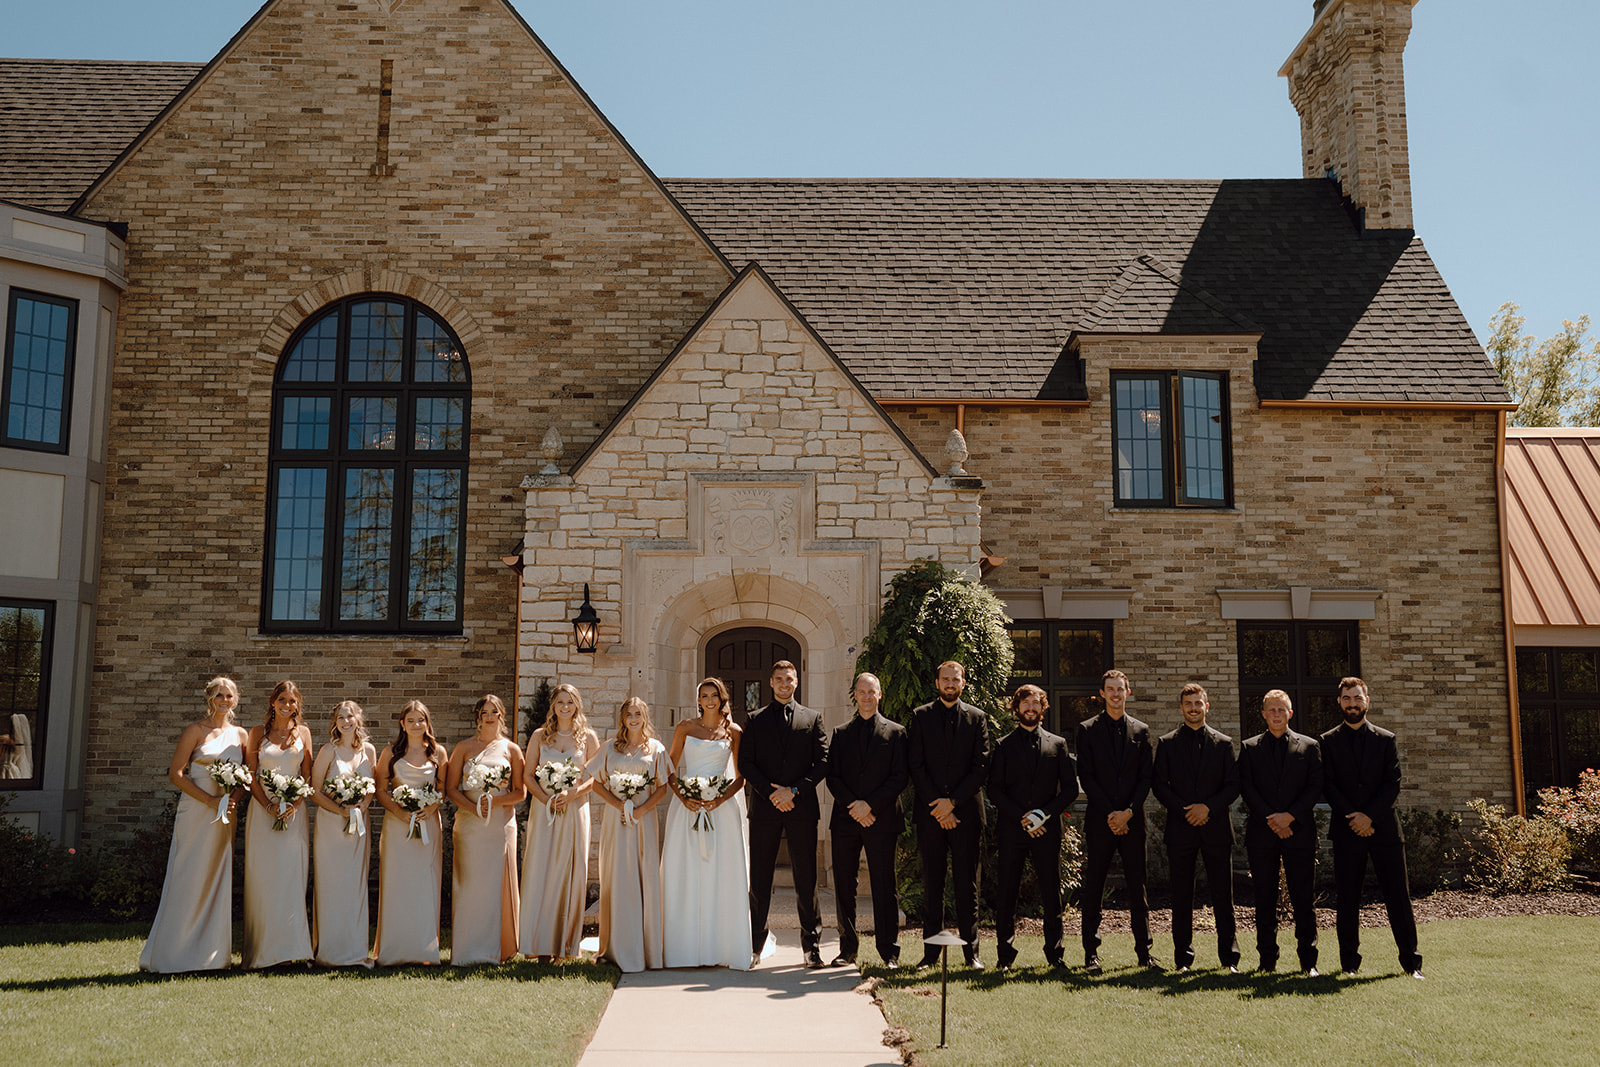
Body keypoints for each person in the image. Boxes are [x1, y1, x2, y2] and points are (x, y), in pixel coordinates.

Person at [139, 676, 250, 972]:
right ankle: (175, 954)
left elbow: (248, 776)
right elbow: (176, 774)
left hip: (225, 814)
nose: (224, 700)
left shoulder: (242, 735)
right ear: (209, 699)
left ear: (235, 699)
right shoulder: (195, 730)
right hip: (197, 811)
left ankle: (211, 956)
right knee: (189, 874)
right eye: (218, 695)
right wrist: (209, 800)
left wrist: (232, 799)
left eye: (229, 695)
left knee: (216, 876)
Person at [1320, 677, 1423, 979]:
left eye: (1357, 698)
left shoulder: (1385, 739)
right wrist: (1355, 817)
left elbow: (1392, 784)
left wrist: (1369, 817)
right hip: (1346, 829)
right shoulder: (1327, 741)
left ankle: (1411, 964)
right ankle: (1349, 964)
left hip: (1384, 831)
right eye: (1347, 698)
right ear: (1339, 702)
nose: (1353, 703)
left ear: (1367, 701)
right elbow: (1328, 786)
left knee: (1398, 898)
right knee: (1348, 898)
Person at [740, 659, 828, 968]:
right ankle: (754, 946)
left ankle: (812, 947)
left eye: (789, 678)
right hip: (765, 809)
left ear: (796, 682)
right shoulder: (755, 718)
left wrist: (794, 791)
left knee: (806, 879)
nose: (784, 683)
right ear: (771, 682)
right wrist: (771, 792)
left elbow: (823, 762)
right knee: (760, 880)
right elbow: (746, 763)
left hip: (801, 808)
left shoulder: (812, 718)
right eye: (778, 679)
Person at [986, 684, 1077, 972]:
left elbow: (1070, 790)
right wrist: (1023, 818)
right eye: (1025, 703)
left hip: (1047, 830)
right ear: (1017, 707)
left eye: (1036, 703)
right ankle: (1004, 956)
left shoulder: (1057, 744)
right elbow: (994, 791)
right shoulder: (1002, 745)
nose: (1031, 708)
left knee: (1051, 893)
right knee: (1007, 894)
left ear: (1043, 708)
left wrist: (1043, 815)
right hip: (1012, 830)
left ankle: (1055, 954)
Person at [662, 677, 751, 969]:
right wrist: (685, 797)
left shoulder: (734, 732)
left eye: (714, 695)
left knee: (720, 874)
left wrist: (719, 800)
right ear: (698, 700)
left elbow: (740, 777)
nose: (709, 700)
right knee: (686, 873)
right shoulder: (685, 727)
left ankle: (722, 945)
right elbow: (669, 769)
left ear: (722, 699)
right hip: (686, 808)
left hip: (721, 810)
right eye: (704, 695)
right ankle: (684, 945)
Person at [1151, 683, 1240, 972]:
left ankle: (1229, 959)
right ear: (1181, 708)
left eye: (1198, 703)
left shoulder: (1224, 743)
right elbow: (1159, 785)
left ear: (1207, 706)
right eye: (1188, 704)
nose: (1193, 708)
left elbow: (1232, 786)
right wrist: (1185, 810)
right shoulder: (1167, 744)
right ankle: (1183, 960)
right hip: (1181, 828)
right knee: (1181, 897)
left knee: (1223, 896)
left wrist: (1208, 808)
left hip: (1216, 828)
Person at [908, 660, 990, 969]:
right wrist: (939, 805)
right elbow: (915, 765)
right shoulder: (921, 717)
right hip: (931, 815)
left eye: (956, 679)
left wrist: (952, 802)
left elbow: (981, 766)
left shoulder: (977, 718)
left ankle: (972, 955)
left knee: (968, 885)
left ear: (964, 683)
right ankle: (930, 955)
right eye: (945, 679)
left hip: (966, 813)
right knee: (933, 884)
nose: (950, 683)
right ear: (937, 683)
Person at [826, 671, 908, 969]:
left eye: (871, 691)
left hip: (882, 820)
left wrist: (870, 806)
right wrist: (854, 806)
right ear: (855, 695)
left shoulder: (896, 732)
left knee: (885, 887)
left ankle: (889, 951)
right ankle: (847, 948)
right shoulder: (841, 733)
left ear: (880, 694)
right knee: (844, 886)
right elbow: (832, 777)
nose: (866, 696)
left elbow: (900, 776)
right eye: (861, 691)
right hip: (846, 821)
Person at [1237, 689, 1323, 974]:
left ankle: (1308, 962)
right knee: (1263, 900)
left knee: (1303, 900)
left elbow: (1314, 787)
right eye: (1271, 710)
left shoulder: (1309, 746)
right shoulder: (1249, 748)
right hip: (1262, 834)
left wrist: (1289, 817)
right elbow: (1247, 788)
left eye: (1281, 709)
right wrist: (1273, 820)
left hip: (1299, 832)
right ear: (1263, 714)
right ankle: (1267, 961)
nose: (1276, 714)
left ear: (1290, 713)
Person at [1075, 668, 1155, 972]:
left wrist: (1129, 812)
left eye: (1120, 689)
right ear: (1102, 693)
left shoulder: (1141, 730)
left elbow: (1146, 776)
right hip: (1101, 821)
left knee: (1139, 888)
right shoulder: (1087, 730)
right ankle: (1091, 955)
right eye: (1110, 689)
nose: (1116, 694)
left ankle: (1144, 954)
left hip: (1133, 821)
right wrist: (1111, 813)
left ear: (1128, 692)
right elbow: (1087, 775)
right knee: (1093, 888)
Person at [588, 696, 672, 972]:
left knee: (643, 874)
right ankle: (615, 947)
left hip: (644, 820)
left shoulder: (656, 749)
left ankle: (646, 949)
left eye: (638, 713)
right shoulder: (610, 748)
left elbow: (662, 786)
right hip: (616, 820)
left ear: (645, 717)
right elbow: (595, 782)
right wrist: (619, 805)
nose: (633, 718)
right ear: (622, 719)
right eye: (629, 714)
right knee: (617, 874)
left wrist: (641, 810)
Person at [519, 683, 599, 961]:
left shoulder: (587, 737)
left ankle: (565, 946)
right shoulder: (540, 736)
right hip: (545, 811)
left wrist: (573, 792)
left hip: (576, 809)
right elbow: (528, 775)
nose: (565, 706)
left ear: (577, 705)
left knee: (570, 871)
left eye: (570, 702)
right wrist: (545, 798)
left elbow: (596, 777)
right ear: (553, 706)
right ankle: (539, 942)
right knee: (542, 869)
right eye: (560, 702)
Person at [446, 694, 526, 965]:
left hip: (500, 824)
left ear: (501, 716)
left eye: (494, 712)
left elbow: (520, 792)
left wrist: (494, 802)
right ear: (478, 717)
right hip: (470, 825)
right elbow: (450, 788)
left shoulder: (512, 750)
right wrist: (473, 807)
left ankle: (499, 949)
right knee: (469, 883)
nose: (489, 716)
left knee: (496, 884)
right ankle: (467, 949)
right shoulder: (464, 748)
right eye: (484, 712)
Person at [242, 679, 315, 968]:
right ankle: (263, 951)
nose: (287, 705)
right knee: (264, 878)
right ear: (273, 702)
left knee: (291, 878)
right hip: (262, 814)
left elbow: (307, 776)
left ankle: (291, 950)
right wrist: (270, 805)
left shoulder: (304, 734)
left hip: (294, 817)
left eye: (292, 701)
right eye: (282, 699)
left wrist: (293, 803)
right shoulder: (257, 733)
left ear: (298, 705)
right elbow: (251, 775)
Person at [372, 700, 449, 966]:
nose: (417, 724)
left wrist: (432, 806)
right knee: (397, 883)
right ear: (402, 724)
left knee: (425, 883)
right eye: (411, 720)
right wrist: (399, 811)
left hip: (428, 824)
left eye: (421, 720)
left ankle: (424, 950)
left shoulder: (438, 752)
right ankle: (393, 950)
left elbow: (442, 788)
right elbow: (380, 789)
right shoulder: (390, 752)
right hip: (397, 826)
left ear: (427, 723)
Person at [309, 699, 378, 967]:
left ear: (359, 719)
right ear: (335, 723)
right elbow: (314, 790)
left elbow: (372, 786)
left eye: (350, 716)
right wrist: (341, 810)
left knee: (355, 884)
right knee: (331, 884)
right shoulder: (329, 750)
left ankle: (355, 949)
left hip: (359, 826)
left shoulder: (368, 751)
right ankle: (328, 951)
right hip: (331, 827)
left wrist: (362, 806)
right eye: (340, 718)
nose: (345, 721)